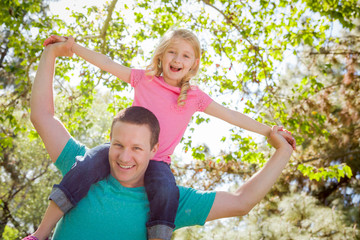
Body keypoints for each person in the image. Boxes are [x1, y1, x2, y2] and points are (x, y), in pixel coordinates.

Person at [24, 29, 295, 240]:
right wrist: (70, 48)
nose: (177, 59)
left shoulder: (194, 98)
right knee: (83, 166)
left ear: (193, 64)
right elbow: (106, 63)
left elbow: (231, 115)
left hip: (160, 166)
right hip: (104, 155)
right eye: (172, 52)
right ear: (161, 56)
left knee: (165, 192)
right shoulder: (144, 79)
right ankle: (40, 233)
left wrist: (268, 131)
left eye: (185, 55)